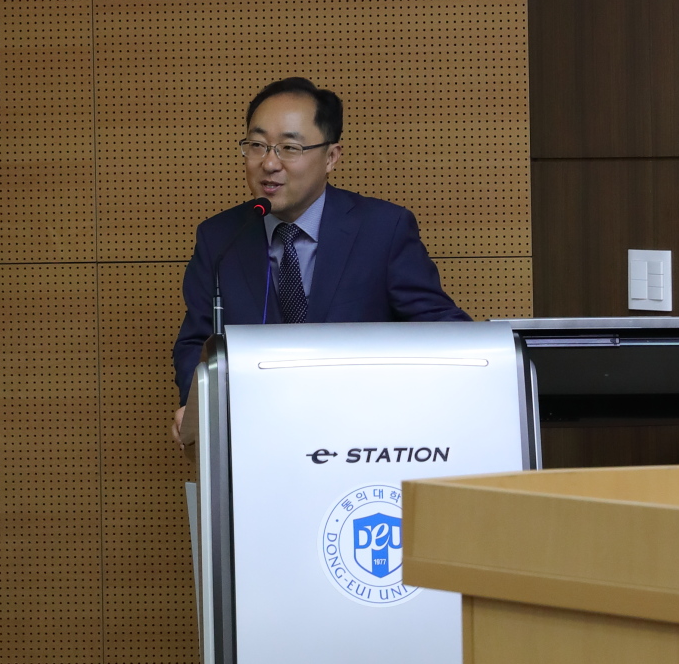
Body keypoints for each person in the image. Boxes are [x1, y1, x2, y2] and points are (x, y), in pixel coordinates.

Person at [171, 77, 468, 440]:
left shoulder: (382, 230)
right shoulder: (220, 238)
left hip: (363, 437)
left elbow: (442, 331)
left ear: (331, 157)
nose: (269, 163)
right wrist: (198, 403)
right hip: (259, 436)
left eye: (289, 148)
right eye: (257, 145)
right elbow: (196, 343)